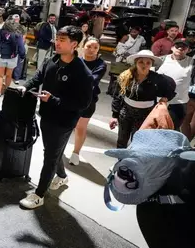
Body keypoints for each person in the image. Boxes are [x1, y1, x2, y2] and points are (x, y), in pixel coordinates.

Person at [17, 26, 93, 209]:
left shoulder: (82, 72)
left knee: (50, 156)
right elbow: (38, 77)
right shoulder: (53, 60)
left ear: (74, 44)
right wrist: (25, 86)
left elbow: (83, 104)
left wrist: (55, 100)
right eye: (57, 39)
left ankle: (39, 194)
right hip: (47, 115)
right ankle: (62, 177)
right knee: (51, 150)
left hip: (64, 121)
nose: (57, 43)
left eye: (62, 40)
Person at [110, 50, 176, 148]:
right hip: (126, 113)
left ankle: (133, 163)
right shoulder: (125, 76)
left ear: (151, 64)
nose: (144, 65)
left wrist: (165, 98)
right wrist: (114, 116)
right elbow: (117, 96)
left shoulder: (157, 78)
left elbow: (170, 88)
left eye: (148, 63)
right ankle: (120, 162)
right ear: (136, 63)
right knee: (122, 140)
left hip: (146, 114)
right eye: (141, 62)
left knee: (137, 141)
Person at [69, 37, 107, 166]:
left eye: (95, 48)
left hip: (88, 100)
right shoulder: (75, 60)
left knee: (80, 127)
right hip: (71, 98)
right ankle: (60, 149)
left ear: (98, 50)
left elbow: (92, 81)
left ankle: (76, 152)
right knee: (67, 125)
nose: (91, 50)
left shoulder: (101, 64)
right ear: (83, 46)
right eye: (89, 46)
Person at [157, 39, 193, 130]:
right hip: (159, 102)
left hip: (179, 104)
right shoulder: (161, 60)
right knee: (154, 128)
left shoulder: (192, 63)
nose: (180, 48)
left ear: (188, 50)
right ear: (172, 47)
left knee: (172, 130)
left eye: (184, 47)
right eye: (177, 46)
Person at [0, 16, 25, 97]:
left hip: (1, 56)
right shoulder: (17, 34)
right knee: (9, 75)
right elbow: (21, 46)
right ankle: (6, 91)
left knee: (0, 75)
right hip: (12, 57)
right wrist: (22, 56)